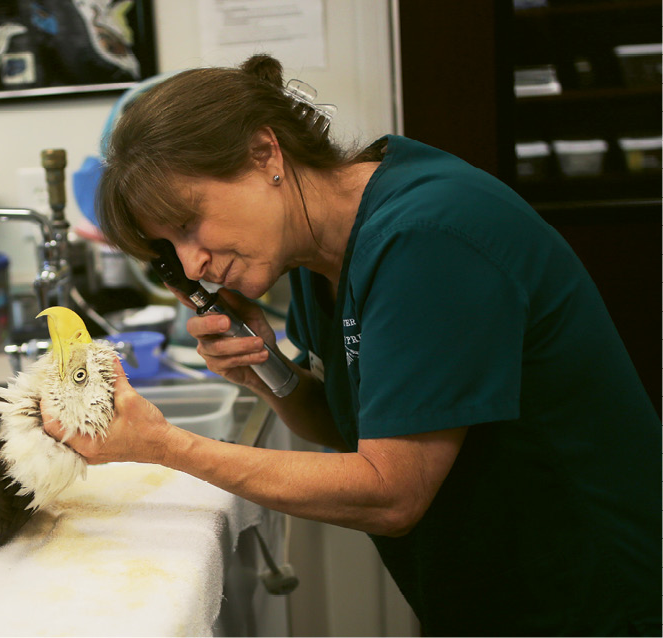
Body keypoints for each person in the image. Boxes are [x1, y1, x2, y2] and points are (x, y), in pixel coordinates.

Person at [45, 55, 660, 635]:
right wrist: (269, 372)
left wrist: (163, 446)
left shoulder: (426, 237)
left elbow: (391, 492)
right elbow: (358, 424)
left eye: (188, 225)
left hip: (600, 601)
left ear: (265, 153)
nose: (194, 263)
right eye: (171, 250)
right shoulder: (321, 253)